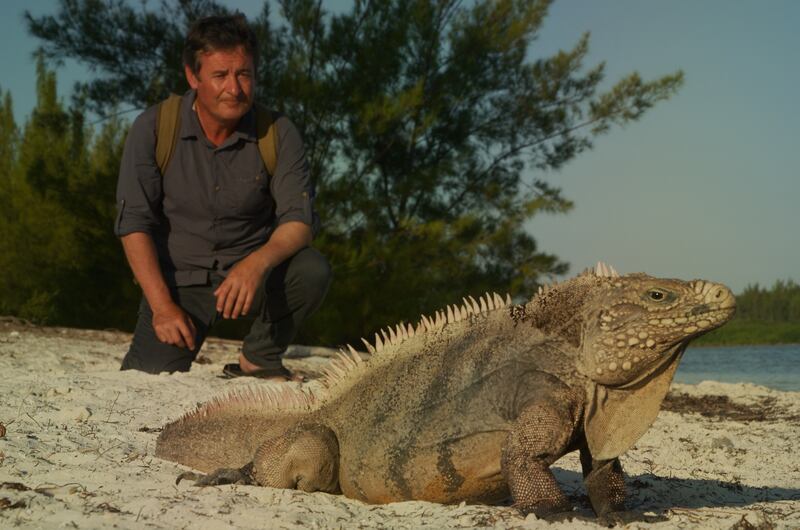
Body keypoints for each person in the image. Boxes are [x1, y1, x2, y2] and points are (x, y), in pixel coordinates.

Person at [114, 14, 330, 380]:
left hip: (249, 280)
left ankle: (260, 357)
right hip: (179, 284)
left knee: (312, 269)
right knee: (148, 375)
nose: (234, 88)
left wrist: (256, 264)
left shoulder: (278, 132)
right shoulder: (153, 127)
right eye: (220, 75)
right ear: (192, 77)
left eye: (244, 74)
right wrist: (162, 306)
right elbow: (134, 223)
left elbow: (300, 221)